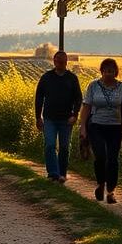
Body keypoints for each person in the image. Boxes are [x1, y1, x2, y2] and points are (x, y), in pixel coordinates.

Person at [79, 58, 122, 204]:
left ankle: (111, 191)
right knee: (100, 156)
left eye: (112, 71)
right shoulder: (93, 86)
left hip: (115, 127)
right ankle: (101, 184)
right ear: (101, 71)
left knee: (113, 159)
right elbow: (87, 107)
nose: (109, 73)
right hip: (96, 126)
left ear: (116, 72)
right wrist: (83, 127)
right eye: (106, 71)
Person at [35, 51, 83, 183]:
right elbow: (39, 98)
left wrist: (75, 114)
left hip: (66, 119)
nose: (60, 64)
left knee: (64, 147)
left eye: (62, 61)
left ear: (66, 62)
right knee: (50, 145)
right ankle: (53, 173)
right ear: (54, 61)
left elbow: (78, 98)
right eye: (57, 61)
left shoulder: (72, 78)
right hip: (49, 118)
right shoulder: (46, 77)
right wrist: (38, 117)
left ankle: (62, 173)